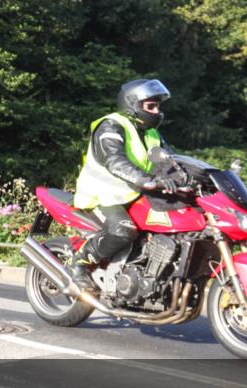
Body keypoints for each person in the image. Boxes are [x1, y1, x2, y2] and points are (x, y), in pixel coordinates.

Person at [69, 78, 178, 290]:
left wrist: (193, 178)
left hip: (135, 194)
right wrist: (149, 180)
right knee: (123, 230)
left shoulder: (151, 133)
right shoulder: (111, 125)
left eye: (158, 106)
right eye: (151, 106)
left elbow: (171, 160)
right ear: (133, 104)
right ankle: (79, 263)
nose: (157, 111)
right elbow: (114, 159)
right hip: (103, 195)